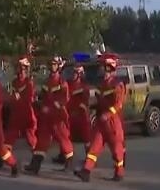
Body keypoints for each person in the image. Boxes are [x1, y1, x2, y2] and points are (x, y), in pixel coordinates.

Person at [74, 54, 125, 182]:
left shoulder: (117, 84)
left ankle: (119, 172)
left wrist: (108, 114)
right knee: (94, 147)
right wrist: (93, 106)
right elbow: (101, 101)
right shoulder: (102, 84)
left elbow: (118, 104)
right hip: (101, 122)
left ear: (109, 68)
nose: (100, 70)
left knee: (116, 149)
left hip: (112, 122)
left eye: (103, 67)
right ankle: (86, 171)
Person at [26, 56, 74, 174]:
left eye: (54, 64)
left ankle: (69, 163)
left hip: (58, 117)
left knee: (63, 139)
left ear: (59, 67)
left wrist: (52, 107)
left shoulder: (62, 82)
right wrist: (39, 103)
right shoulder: (47, 81)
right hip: (46, 117)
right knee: (42, 141)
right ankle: (35, 165)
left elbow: (64, 99)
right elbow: (43, 97)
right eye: (51, 64)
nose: (52, 67)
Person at [4, 56, 38, 158]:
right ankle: (4, 157)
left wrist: (18, 98)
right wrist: (12, 98)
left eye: (22, 69)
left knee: (30, 137)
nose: (20, 71)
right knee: (10, 135)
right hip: (16, 114)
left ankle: (36, 158)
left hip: (26, 114)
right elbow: (11, 96)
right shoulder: (14, 82)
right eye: (19, 68)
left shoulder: (29, 83)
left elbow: (30, 99)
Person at [67, 63, 92, 158]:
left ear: (80, 74)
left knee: (86, 137)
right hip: (70, 114)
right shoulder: (68, 84)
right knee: (66, 136)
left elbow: (84, 102)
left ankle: (89, 157)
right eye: (72, 73)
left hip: (81, 116)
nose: (72, 75)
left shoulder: (84, 87)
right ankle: (65, 156)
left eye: (75, 73)